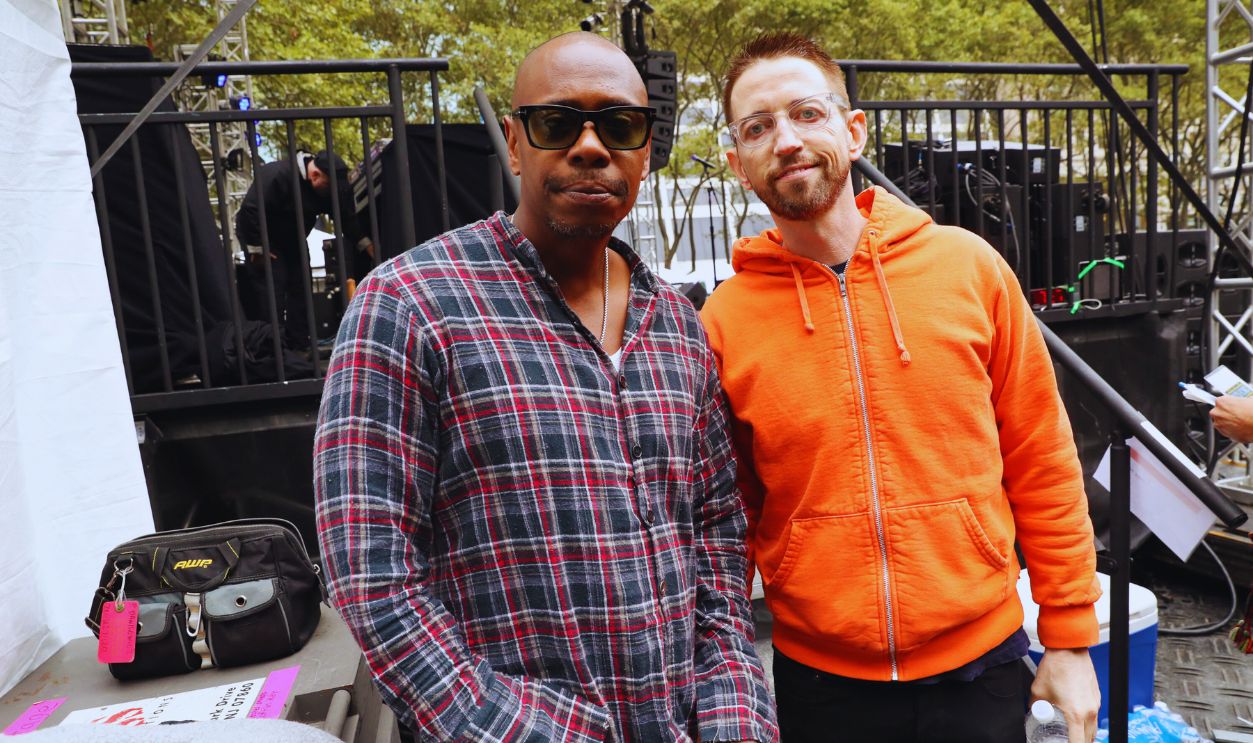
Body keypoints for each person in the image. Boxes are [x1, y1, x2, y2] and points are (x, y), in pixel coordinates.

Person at [313, 32, 776, 743]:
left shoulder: (677, 325)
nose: (590, 146)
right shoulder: (410, 304)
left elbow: (715, 536)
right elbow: (372, 576)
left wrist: (734, 717)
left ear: (645, 149)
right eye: (557, 123)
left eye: (619, 125)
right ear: (513, 141)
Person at [700, 32, 1102, 743]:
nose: (786, 140)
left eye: (806, 113)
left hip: (981, 664)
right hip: (819, 682)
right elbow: (727, 514)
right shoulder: (722, 321)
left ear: (852, 130)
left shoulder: (968, 268)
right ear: (738, 163)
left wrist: (1069, 635)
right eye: (757, 127)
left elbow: (1041, 456)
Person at [234, 149, 370, 350]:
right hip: (264, 238)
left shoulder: (325, 189)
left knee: (302, 287)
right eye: (328, 186)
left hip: (293, 238)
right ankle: (271, 348)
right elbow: (250, 210)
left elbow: (345, 217)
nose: (330, 193)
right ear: (315, 176)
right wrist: (257, 249)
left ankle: (298, 346)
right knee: (272, 291)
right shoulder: (277, 174)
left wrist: (365, 243)